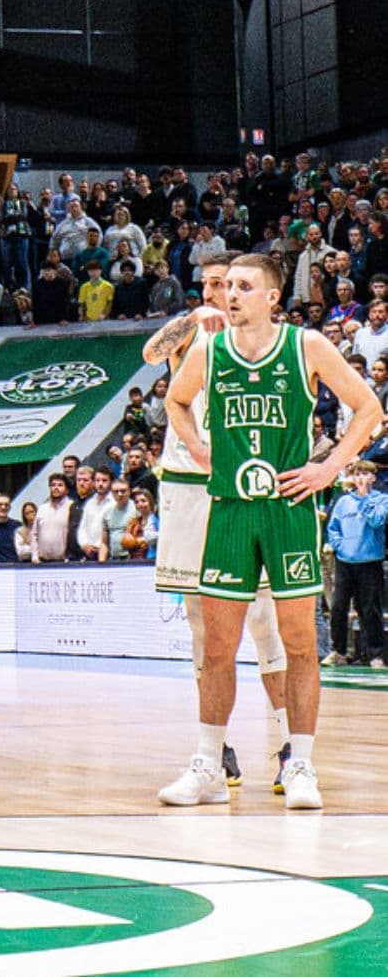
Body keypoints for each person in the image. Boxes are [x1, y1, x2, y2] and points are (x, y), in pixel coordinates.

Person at [163, 252, 380, 811]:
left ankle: (301, 763)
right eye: (226, 285)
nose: (229, 294)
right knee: (217, 648)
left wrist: (327, 468)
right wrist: (197, 447)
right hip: (230, 509)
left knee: (300, 644)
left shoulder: (306, 346)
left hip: (287, 509)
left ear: (272, 298)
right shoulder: (209, 349)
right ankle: (208, 763)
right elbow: (176, 401)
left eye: (243, 286)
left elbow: (368, 408)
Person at [144, 252, 292, 796]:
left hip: (240, 483)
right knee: (203, 630)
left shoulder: (262, 339)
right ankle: (215, 751)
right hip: (186, 482)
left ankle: (285, 745)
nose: (216, 291)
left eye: (226, 283)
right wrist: (191, 321)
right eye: (209, 283)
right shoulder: (193, 331)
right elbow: (150, 351)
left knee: (263, 621)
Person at [324, 460, 388, 667]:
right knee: (338, 608)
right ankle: (339, 651)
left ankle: (375, 653)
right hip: (345, 562)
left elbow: (377, 521)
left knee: (370, 610)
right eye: (357, 474)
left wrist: (366, 497)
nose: (360, 478)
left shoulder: (381, 500)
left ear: (373, 478)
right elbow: (333, 527)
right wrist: (340, 545)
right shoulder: (343, 502)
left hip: (370, 562)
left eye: (365, 474)